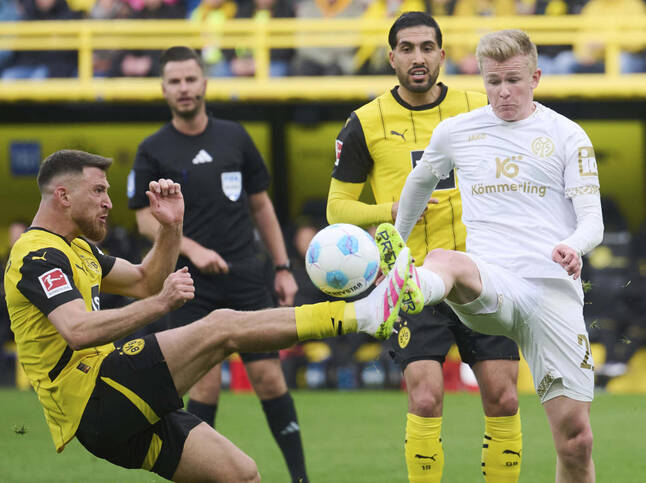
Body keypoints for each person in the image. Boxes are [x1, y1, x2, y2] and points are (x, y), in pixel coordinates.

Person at [4, 148, 417, 481]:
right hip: (93, 395)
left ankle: (365, 312)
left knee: (241, 474)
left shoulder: (78, 248)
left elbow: (146, 280)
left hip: (109, 409)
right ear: (63, 196)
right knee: (221, 327)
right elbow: (77, 329)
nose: (108, 202)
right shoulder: (36, 255)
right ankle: (362, 313)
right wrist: (161, 304)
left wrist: (172, 228)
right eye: (98, 191)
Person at [390, 28, 603, 483]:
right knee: (445, 259)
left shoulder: (568, 135)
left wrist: (574, 245)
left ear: (536, 78)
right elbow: (419, 183)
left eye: (513, 80)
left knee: (576, 442)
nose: (503, 92)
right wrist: (396, 242)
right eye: (493, 81)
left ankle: (419, 285)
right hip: (494, 282)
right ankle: (411, 287)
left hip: (551, 291)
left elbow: (592, 222)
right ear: (483, 79)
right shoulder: (457, 131)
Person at [327, 12, 522, 483]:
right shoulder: (365, 122)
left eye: (427, 48)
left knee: (504, 398)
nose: (418, 57)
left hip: (481, 274)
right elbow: (337, 208)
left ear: (442, 54)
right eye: (408, 49)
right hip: (412, 280)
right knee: (426, 397)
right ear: (391, 57)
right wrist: (392, 209)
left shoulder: (479, 106)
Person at [127, 46, 307, 482]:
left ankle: (301, 478)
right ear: (164, 89)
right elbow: (143, 221)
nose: (184, 88)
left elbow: (261, 206)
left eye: (190, 79)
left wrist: (282, 267)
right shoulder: (153, 149)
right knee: (205, 384)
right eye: (175, 81)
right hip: (190, 284)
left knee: (269, 379)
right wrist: (192, 250)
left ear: (204, 83)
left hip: (245, 276)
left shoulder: (235, 137)